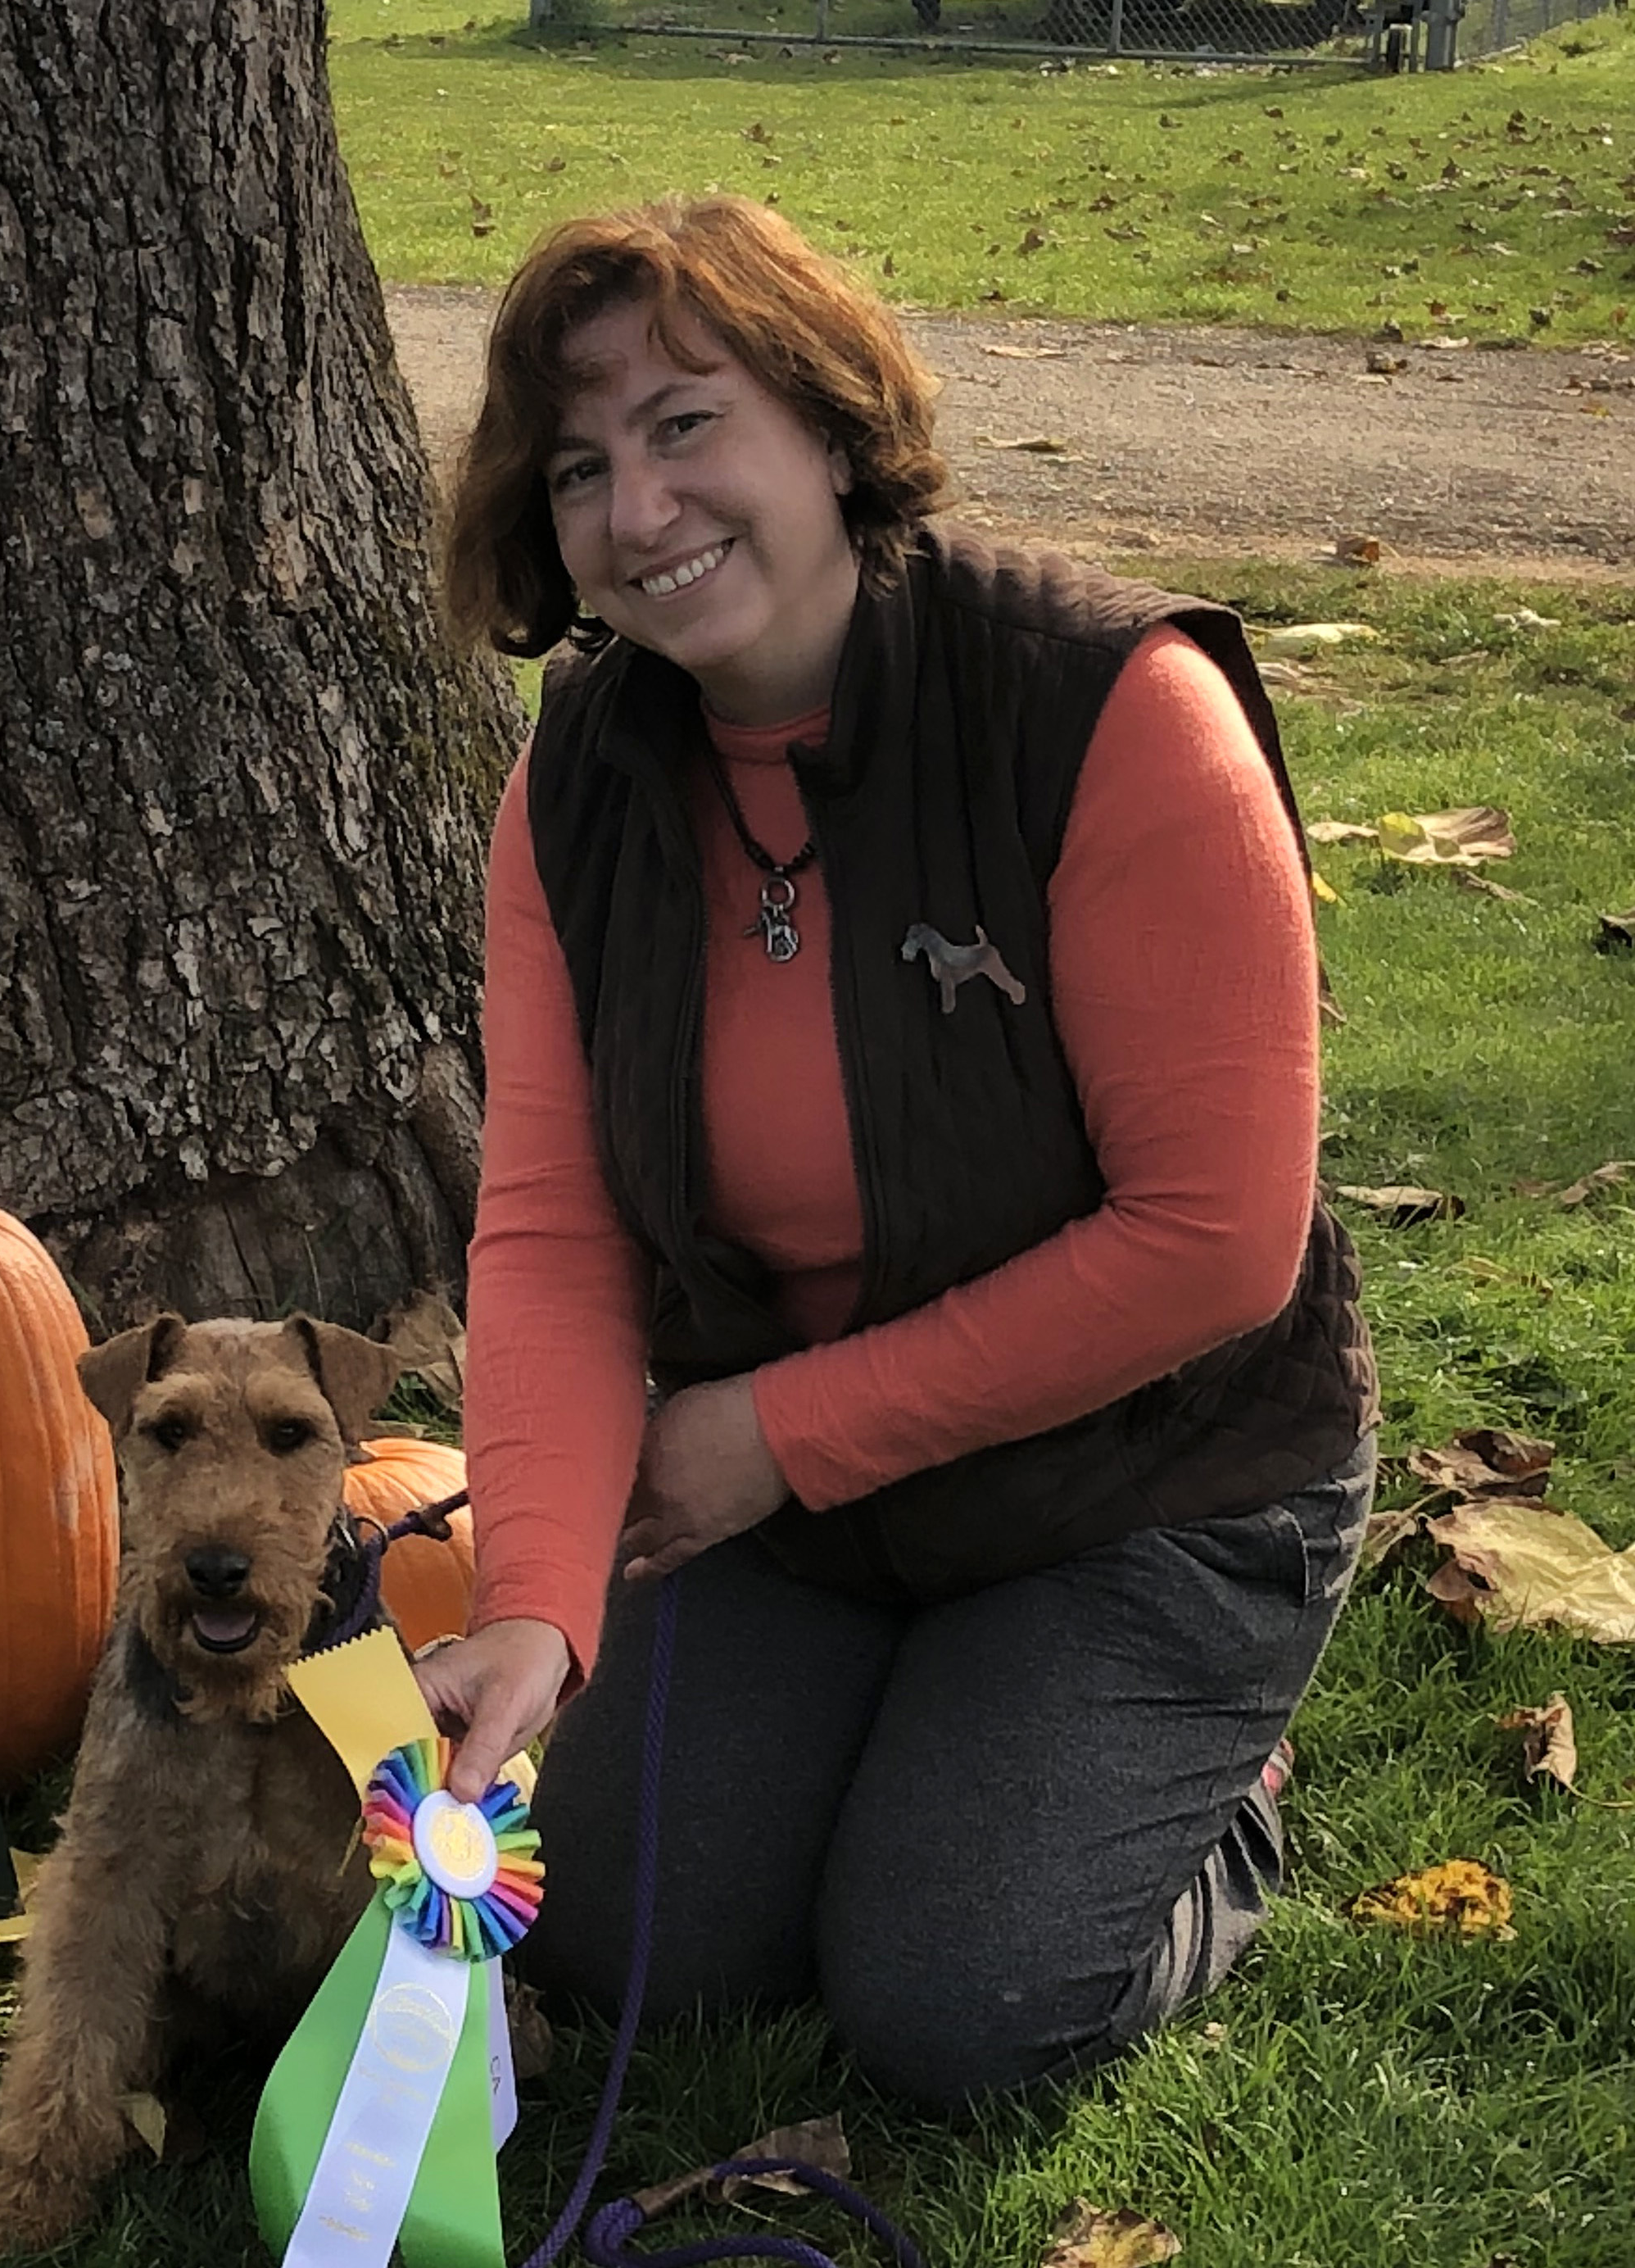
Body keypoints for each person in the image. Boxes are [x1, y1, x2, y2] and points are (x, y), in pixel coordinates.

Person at [413, 197, 1378, 2111]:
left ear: (832, 427)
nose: (639, 508)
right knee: (613, 1930)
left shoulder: (1108, 710)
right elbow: (547, 1224)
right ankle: (917, 1724)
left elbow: (1213, 1242)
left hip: (1147, 1480)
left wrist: (769, 1438)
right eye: (584, 468)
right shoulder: (575, 793)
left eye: (690, 425)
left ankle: (1225, 1785)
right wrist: (532, 1600)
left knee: (960, 1998)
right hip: (821, 1515)